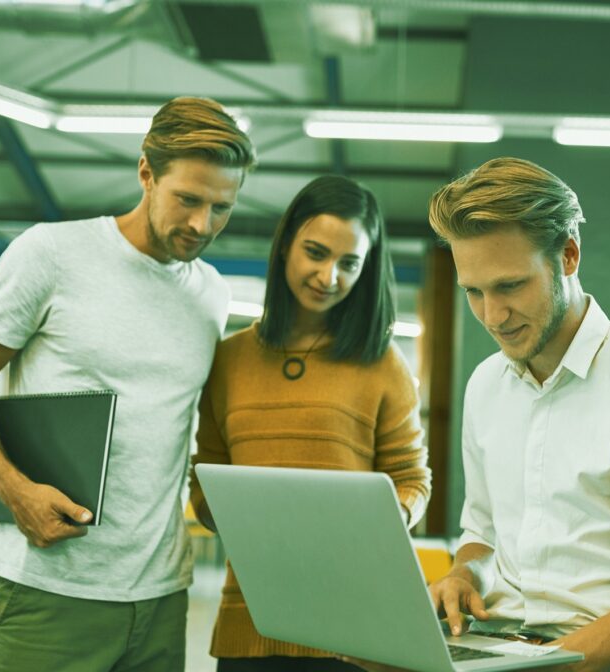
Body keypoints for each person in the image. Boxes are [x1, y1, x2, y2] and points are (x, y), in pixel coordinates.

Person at [0, 96, 255, 671]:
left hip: (162, 597)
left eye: (221, 208)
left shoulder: (211, 294)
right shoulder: (53, 254)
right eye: (187, 199)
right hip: (48, 589)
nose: (200, 225)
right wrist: (15, 491)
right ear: (146, 172)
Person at [418, 157, 610, 672]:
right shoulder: (486, 385)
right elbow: (482, 533)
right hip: (499, 648)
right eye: (473, 292)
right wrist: (466, 576)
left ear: (568, 256)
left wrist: (537, 668)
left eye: (510, 286)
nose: (492, 315)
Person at [188, 174, 431, 672]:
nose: (329, 276)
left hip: (355, 630)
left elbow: (412, 481)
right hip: (249, 625)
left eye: (349, 263)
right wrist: (231, 513)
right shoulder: (229, 360)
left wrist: (378, 521)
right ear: (285, 249)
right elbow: (206, 475)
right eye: (315, 253)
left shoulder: (383, 364)